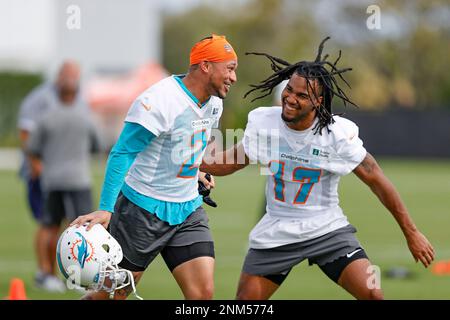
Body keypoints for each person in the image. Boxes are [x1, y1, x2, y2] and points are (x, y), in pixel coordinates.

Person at [200, 37, 434, 300]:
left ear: (319, 102)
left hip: (327, 229)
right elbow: (225, 163)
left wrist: (412, 233)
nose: (290, 99)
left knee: (374, 296)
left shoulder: (336, 135)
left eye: (302, 96)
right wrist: (192, 154)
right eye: (289, 90)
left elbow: (377, 180)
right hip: (277, 230)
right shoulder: (265, 123)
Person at [70, 34, 238, 300]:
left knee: (203, 294)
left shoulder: (215, 102)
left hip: (187, 210)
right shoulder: (160, 100)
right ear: (206, 66)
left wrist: (200, 169)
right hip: (141, 211)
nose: (233, 77)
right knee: (111, 294)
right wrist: (106, 208)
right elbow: (122, 152)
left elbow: (198, 144)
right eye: (229, 68)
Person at [17, 60, 87, 292]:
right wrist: (35, 164)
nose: (71, 80)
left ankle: (74, 275)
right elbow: (26, 132)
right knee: (48, 223)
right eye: (67, 75)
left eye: (75, 75)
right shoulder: (41, 99)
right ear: (59, 75)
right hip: (45, 174)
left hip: (71, 174)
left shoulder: (78, 98)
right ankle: (45, 273)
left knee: (75, 225)